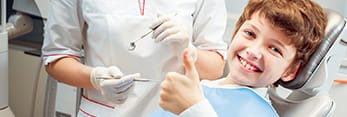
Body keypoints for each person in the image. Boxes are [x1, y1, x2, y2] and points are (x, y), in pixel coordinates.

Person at [41, 0, 228, 117]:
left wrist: (188, 50)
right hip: (104, 112)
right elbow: (56, 57)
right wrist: (95, 78)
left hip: (174, 112)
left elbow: (215, 67)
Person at [154, 0, 327, 116]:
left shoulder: (260, 112)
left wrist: (195, 109)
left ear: (291, 71)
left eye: (274, 49)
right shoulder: (199, 88)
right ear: (236, 32)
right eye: (250, 34)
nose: (253, 51)